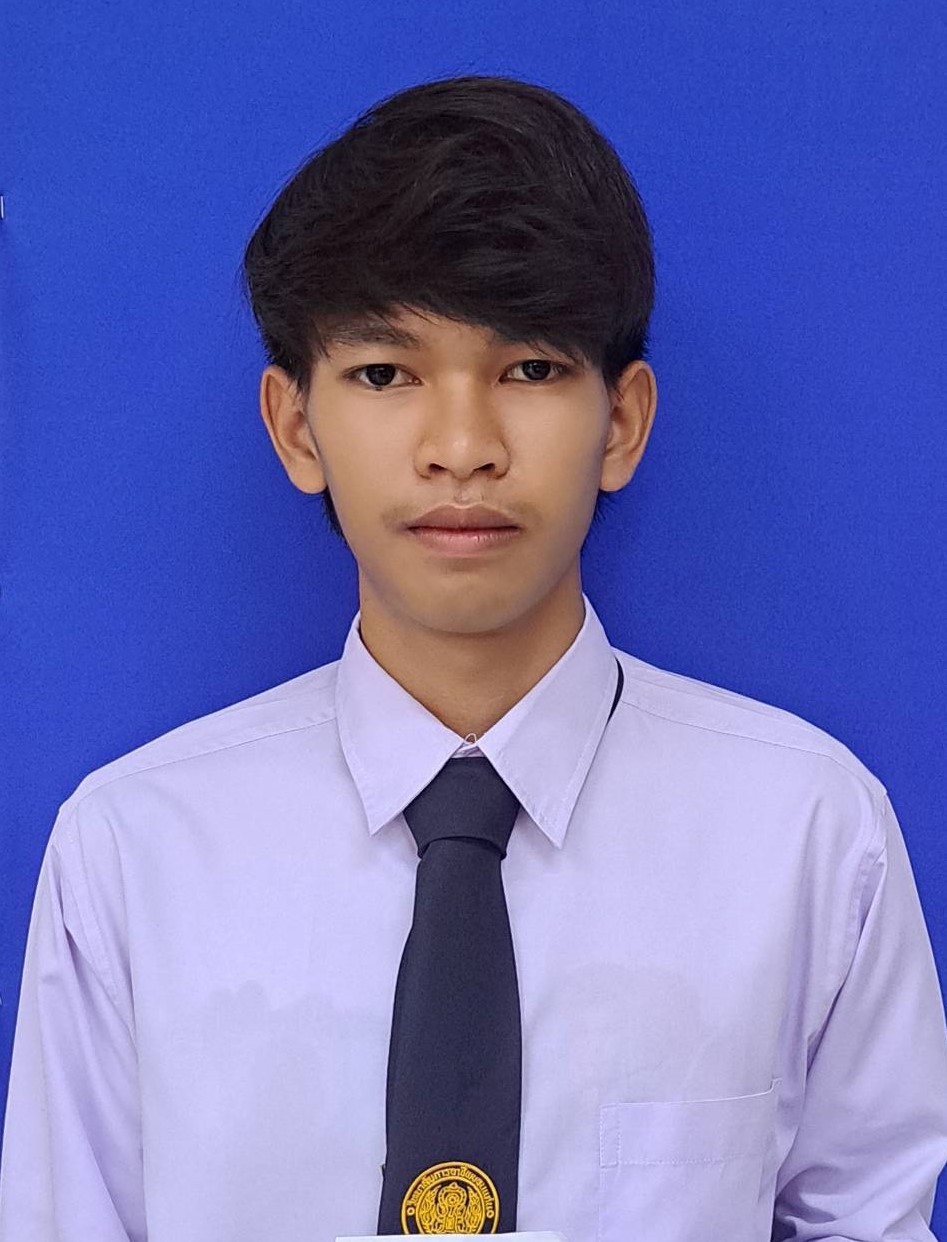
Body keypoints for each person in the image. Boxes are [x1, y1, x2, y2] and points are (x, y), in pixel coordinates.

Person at [1, 72, 946, 1242]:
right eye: (385, 374)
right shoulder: (133, 853)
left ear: (621, 422)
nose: (461, 447)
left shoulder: (807, 835)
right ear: (295, 427)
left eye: (530, 370)